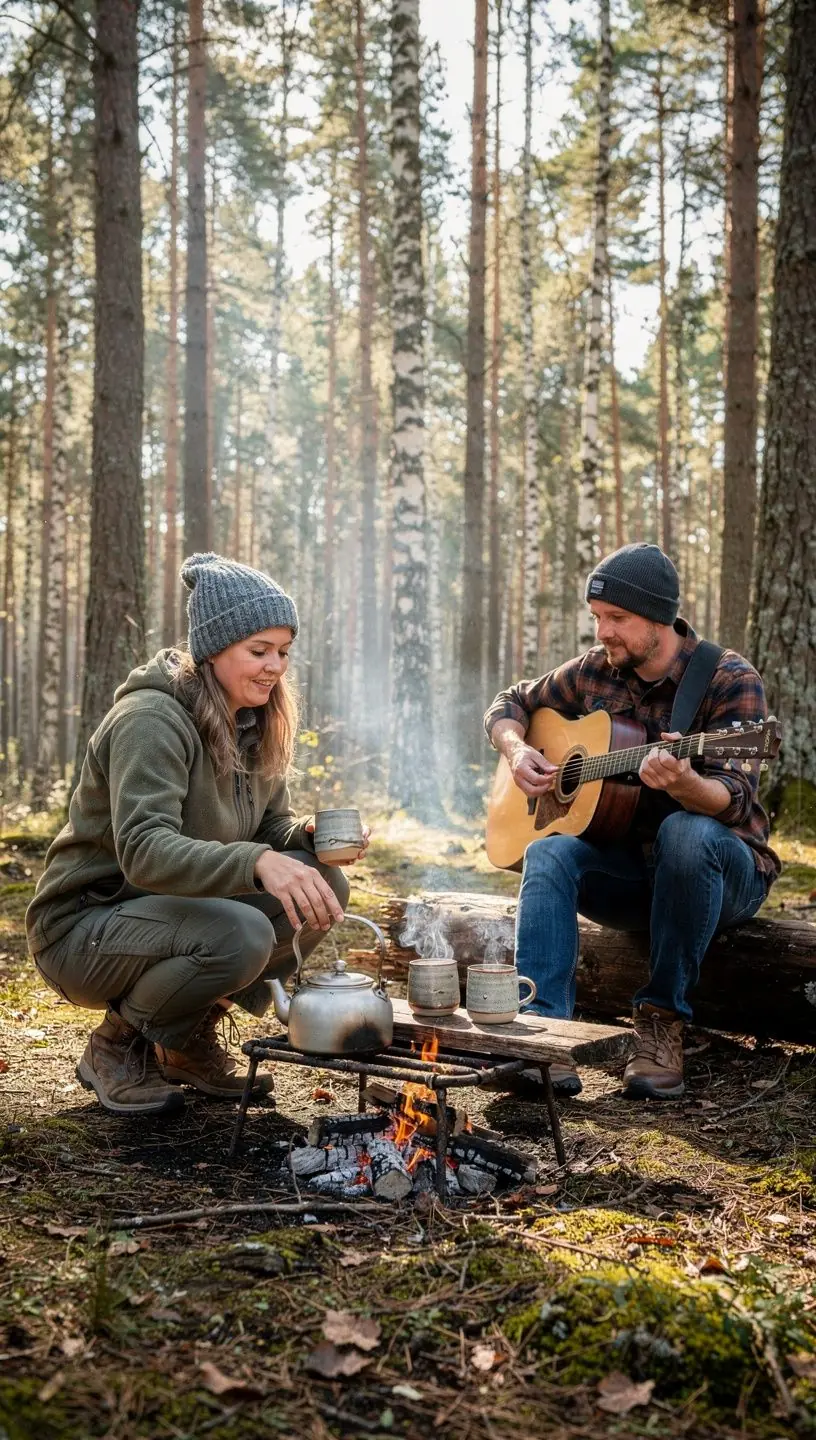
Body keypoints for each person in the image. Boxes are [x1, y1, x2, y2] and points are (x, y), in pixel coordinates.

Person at [26, 553, 367, 1116]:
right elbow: (142, 849)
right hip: (84, 926)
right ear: (212, 648)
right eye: (258, 651)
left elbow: (266, 827)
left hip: (167, 914)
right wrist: (258, 861)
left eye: (283, 652)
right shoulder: (151, 719)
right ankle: (116, 1047)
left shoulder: (252, 721)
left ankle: (182, 1039)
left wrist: (302, 835)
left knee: (321, 883)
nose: (275, 667)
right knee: (243, 931)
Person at [485, 543, 780, 1101]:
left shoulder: (727, 678)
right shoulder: (598, 669)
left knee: (685, 830)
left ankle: (661, 1021)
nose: (603, 633)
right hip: (634, 875)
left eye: (617, 619)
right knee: (548, 851)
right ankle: (546, 1032)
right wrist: (518, 751)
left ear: (660, 619)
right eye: (598, 618)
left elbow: (734, 801)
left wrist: (686, 784)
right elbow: (509, 702)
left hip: (724, 875)